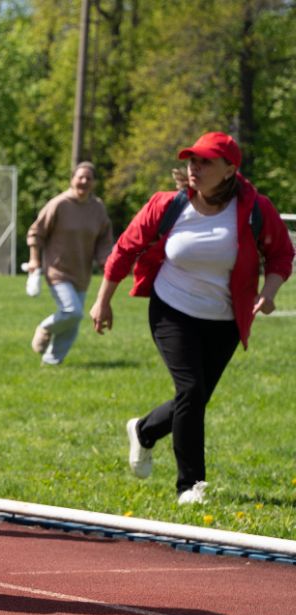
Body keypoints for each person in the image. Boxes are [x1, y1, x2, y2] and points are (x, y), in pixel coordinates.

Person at [89, 132, 292, 505]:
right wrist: (103, 301)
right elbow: (125, 249)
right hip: (172, 311)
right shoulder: (168, 205)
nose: (194, 168)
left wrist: (270, 291)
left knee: (194, 398)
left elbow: (281, 254)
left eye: (205, 162)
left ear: (230, 169)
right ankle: (190, 486)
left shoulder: (255, 209)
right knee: (192, 392)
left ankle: (144, 431)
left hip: (225, 318)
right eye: (191, 161)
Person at [25, 162, 113, 365]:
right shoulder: (59, 204)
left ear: (94, 183)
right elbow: (36, 233)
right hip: (58, 270)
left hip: (82, 272)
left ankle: (51, 361)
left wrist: (104, 259)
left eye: (88, 178)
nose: (84, 181)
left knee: (73, 322)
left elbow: (104, 239)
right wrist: (34, 259)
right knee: (72, 311)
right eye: (80, 177)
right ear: (72, 179)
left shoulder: (97, 208)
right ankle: (45, 328)